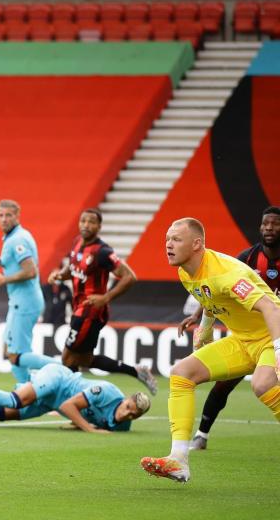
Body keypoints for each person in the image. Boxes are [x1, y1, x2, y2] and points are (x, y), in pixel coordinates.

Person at [140, 218, 280, 484]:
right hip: (243, 341)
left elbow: (272, 309)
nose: (168, 245)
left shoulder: (228, 272)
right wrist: (205, 328)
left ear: (197, 244)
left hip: (272, 334)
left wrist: (278, 349)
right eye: (167, 239)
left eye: (176, 239)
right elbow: (210, 297)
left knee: (262, 384)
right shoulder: (185, 271)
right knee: (182, 373)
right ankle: (178, 460)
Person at [179, 206, 280, 450]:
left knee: (264, 383)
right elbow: (216, 291)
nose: (269, 228)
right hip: (248, 336)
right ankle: (201, 434)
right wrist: (197, 314)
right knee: (223, 384)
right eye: (265, 224)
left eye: (275, 224)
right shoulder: (246, 258)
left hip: (275, 333)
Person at [46, 208, 156, 394]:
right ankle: (136, 371)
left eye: (91, 222)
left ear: (99, 226)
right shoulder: (77, 242)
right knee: (86, 360)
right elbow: (72, 268)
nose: (86, 225)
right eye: (83, 221)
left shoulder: (103, 251)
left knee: (68, 358)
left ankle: (69, 401)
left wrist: (106, 297)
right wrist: (59, 275)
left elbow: (130, 277)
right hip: (79, 308)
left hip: (90, 312)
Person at [0, 200, 57, 384]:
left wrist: (4, 279)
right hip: (20, 302)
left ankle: (61, 369)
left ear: (17, 217)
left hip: (26, 302)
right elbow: (10, 262)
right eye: (0, 215)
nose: (3, 219)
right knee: (10, 351)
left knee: (15, 354)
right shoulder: (14, 237)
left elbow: (30, 271)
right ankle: (28, 390)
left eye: (8, 215)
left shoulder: (17, 239)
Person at [0, 363, 150, 433]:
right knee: (14, 400)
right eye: (129, 406)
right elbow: (68, 405)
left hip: (51, 402)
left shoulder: (123, 426)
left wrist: (78, 424)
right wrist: (88, 429)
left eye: (134, 413)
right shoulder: (107, 392)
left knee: (2, 414)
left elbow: (85, 415)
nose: (128, 413)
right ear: (126, 399)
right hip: (57, 380)